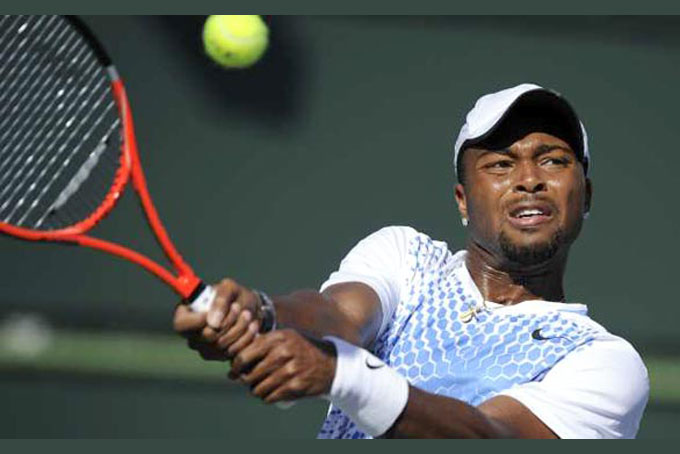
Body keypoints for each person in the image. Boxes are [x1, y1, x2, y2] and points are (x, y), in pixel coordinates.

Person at [173, 83, 649, 439]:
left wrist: (345, 375)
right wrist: (261, 313)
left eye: (553, 161)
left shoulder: (604, 364)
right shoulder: (407, 258)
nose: (529, 179)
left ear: (584, 193)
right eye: (501, 164)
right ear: (463, 200)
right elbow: (335, 315)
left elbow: (491, 435)